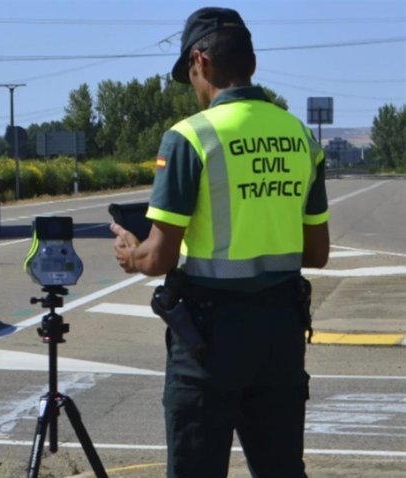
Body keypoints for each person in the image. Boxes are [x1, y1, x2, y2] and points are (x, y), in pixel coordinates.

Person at [110, 7, 330, 478]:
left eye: (190, 74)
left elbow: (159, 256)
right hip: (281, 336)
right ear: (250, 63)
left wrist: (132, 252)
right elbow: (317, 253)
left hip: (209, 340)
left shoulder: (190, 137)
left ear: (200, 62)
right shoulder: (300, 137)